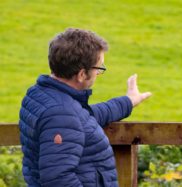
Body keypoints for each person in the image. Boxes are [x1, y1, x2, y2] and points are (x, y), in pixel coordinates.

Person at [19, 28, 152, 186]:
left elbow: (86, 117)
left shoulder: (43, 95)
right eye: (99, 69)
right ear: (82, 74)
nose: (99, 74)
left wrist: (128, 101)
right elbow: (58, 179)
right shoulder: (61, 114)